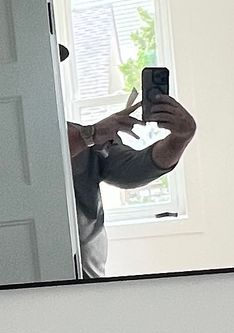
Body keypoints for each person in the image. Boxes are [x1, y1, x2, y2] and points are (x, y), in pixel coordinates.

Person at [68, 84, 198, 276]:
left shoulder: (86, 139)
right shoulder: (16, 140)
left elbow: (135, 168)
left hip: (86, 274)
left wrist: (180, 138)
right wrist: (90, 134)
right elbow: (39, 162)